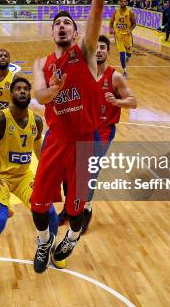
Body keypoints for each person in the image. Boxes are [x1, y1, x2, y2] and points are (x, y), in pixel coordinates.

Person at [29, 0, 105, 273]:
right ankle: (44, 242)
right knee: (37, 205)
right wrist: (55, 90)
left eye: (68, 23)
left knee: (76, 213)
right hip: (56, 139)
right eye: (57, 23)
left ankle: (70, 240)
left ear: (75, 33)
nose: (62, 26)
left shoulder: (86, 52)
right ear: (52, 31)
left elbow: (97, 3)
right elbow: (39, 94)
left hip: (84, 143)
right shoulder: (41, 63)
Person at [0, 77, 61, 302]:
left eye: (26, 89)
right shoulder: (0, 120)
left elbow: (39, 149)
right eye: (18, 88)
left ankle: (48, 247)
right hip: (0, 177)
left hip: (23, 177)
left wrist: (48, 175)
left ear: (30, 95)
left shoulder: (36, 122)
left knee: (49, 213)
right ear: (11, 94)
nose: (22, 91)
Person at [59, 35, 137, 233]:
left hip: (102, 130)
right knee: (68, 170)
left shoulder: (114, 77)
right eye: (97, 48)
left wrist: (117, 102)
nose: (100, 51)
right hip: (80, 128)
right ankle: (70, 209)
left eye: (103, 47)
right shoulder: (83, 73)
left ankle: (86, 209)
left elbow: (133, 101)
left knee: (88, 169)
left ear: (108, 52)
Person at [108, 0, 136, 77]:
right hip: (118, 34)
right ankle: (124, 71)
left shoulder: (130, 12)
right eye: (122, 1)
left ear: (127, 3)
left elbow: (134, 23)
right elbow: (111, 22)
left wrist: (130, 30)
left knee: (129, 53)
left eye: (125, 1)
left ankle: (128, 55)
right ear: (119, 2)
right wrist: (111, 29)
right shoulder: (115, 12)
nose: (123, 2)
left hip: (127, 35)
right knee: (121, 53)